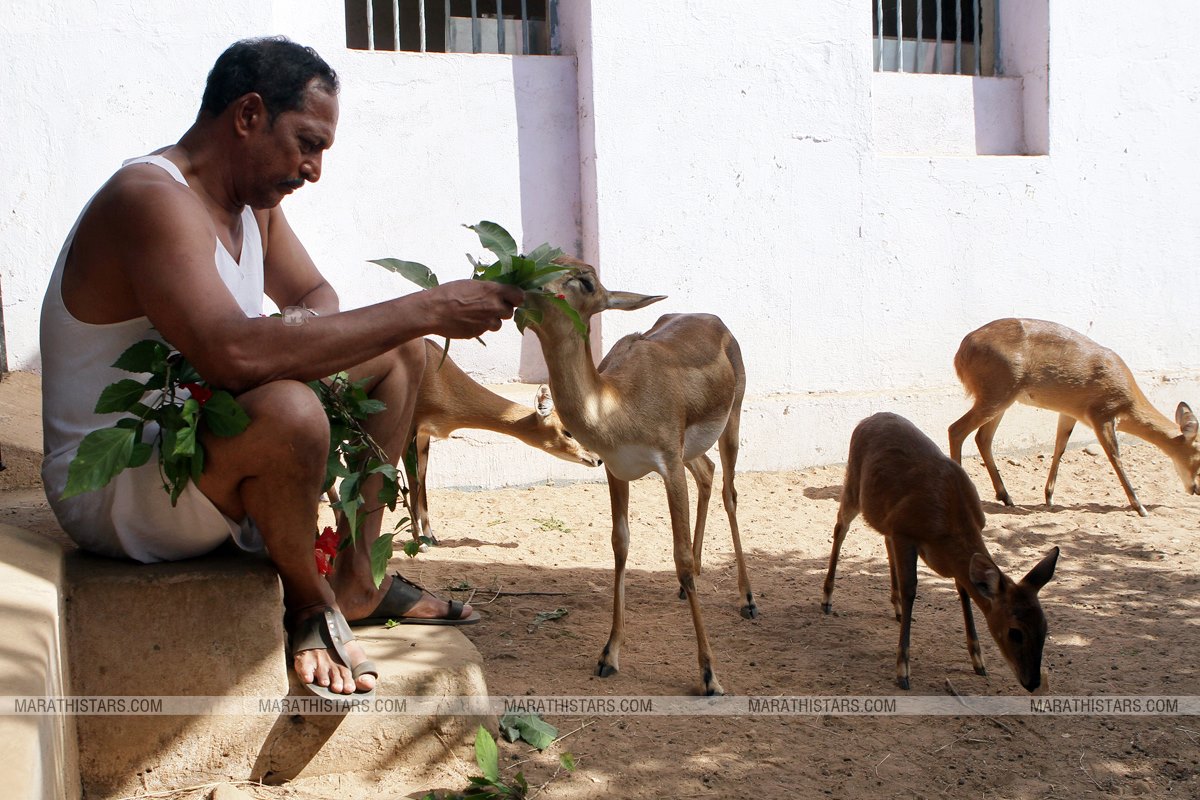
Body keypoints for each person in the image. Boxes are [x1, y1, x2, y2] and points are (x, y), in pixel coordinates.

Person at [39, 36, 524, 698]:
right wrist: (427, 306)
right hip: (120, 489)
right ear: (247, 115)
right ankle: (308, 599)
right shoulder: (149, 198)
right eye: (307, 142)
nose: (314, 168)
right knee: (292, 407)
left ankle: (358, 581)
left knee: (399, 356)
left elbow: (315, 299)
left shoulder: (254, 208)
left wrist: (286, 338)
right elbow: (231, 354)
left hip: (202, 456)